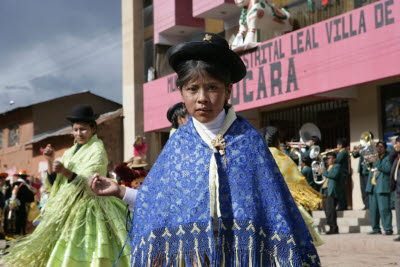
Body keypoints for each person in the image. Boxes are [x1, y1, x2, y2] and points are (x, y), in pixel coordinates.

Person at [90, 32, 320, 266]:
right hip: (195, 257)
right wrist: (120, 191)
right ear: (181, 92)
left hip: (243, 256)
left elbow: (275, 205)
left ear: (227, 91)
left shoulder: (249, 140)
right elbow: (156, 203)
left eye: (212, 87)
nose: (202, 98)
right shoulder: (178, 146)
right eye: (192, 89)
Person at [1, 104, 130, 267]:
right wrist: (50, 161)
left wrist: (65, 171)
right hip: (64, 209)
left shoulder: (98, 150)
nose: (78, 133)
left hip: (88, 209)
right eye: (75, 130)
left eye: (83, 129)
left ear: (93, 128)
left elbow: (91, 183)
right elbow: (54, 184)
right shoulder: (69, 152)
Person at [260, 126, 324, 247]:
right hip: (282, 212)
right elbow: (299, 188)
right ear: (278, 142)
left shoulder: (253, 158)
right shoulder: (284, 159)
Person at [365, 141, 393, 235]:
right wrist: (367, 159)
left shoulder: (388, 157)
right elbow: (366, 169)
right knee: (373, 210)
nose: (379, 149)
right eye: (377, 147)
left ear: (385, 148)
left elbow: (387, 169)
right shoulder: (373, 157)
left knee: (384, 209)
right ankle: (375, 229)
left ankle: (388, 228)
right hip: (372, 186)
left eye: (381, 147)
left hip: (382, 185)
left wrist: (375, 161)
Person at [3, 170, 35, 236]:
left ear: (17, 177)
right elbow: (31, 199)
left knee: (11, 225)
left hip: (11, 209)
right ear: (25, 178)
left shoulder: (11, 185)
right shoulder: (25, 187)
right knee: (21, 228)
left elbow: (6, 197)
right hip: (21, 211)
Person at [352, 132, 374, 210]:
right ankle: (366, 205)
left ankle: (369, 205)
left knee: (368, 189)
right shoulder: (363, 148)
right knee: (363, 189)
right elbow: (354, 156)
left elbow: (369, 156)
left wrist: (361, 151)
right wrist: (355, 151)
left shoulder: (371, 147)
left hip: (367, 171)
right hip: (361, 171)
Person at [320, 152, 341, 234]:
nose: (327, 160)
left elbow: (333, 175)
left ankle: (334, 228)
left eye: (329, 158)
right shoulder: (328, 167)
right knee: (326, 209)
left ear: (334, 159)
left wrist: (324, 172)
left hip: (331, 190)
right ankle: (331, 226)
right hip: (325, 189)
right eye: (327, 158)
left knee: (330, 210)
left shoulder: (337, 166)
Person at [390, 136, 400, 241]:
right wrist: (395, 149)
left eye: (398, 143)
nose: (396, 145)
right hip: (397, 187)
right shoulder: (397, 156)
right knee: (398, 212)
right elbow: (390, 158)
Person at [336, 138, 349, 210]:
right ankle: (342, 205)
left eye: (338, 144)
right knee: (341, 190)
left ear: (341, 145)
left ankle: (342, 205)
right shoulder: (342, 152)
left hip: (342, 174)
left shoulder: (342, 152)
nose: (337, 146)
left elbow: (337, 161)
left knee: (341, 191)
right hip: (342, 174)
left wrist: (332, 156)